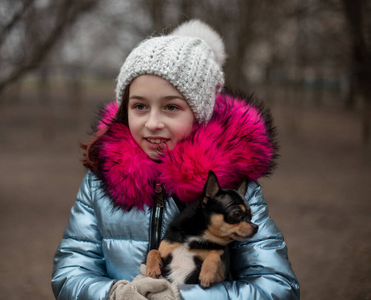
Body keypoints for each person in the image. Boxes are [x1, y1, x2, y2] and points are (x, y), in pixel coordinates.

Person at [51, 19, 300, 299]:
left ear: (199, 114)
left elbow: (277, 286)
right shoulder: (99, 182)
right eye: (140, 106)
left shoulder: (234, 189)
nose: (153, 123)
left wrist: (183, 297)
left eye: (171, 107)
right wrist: (113, 294)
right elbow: (70, 271)